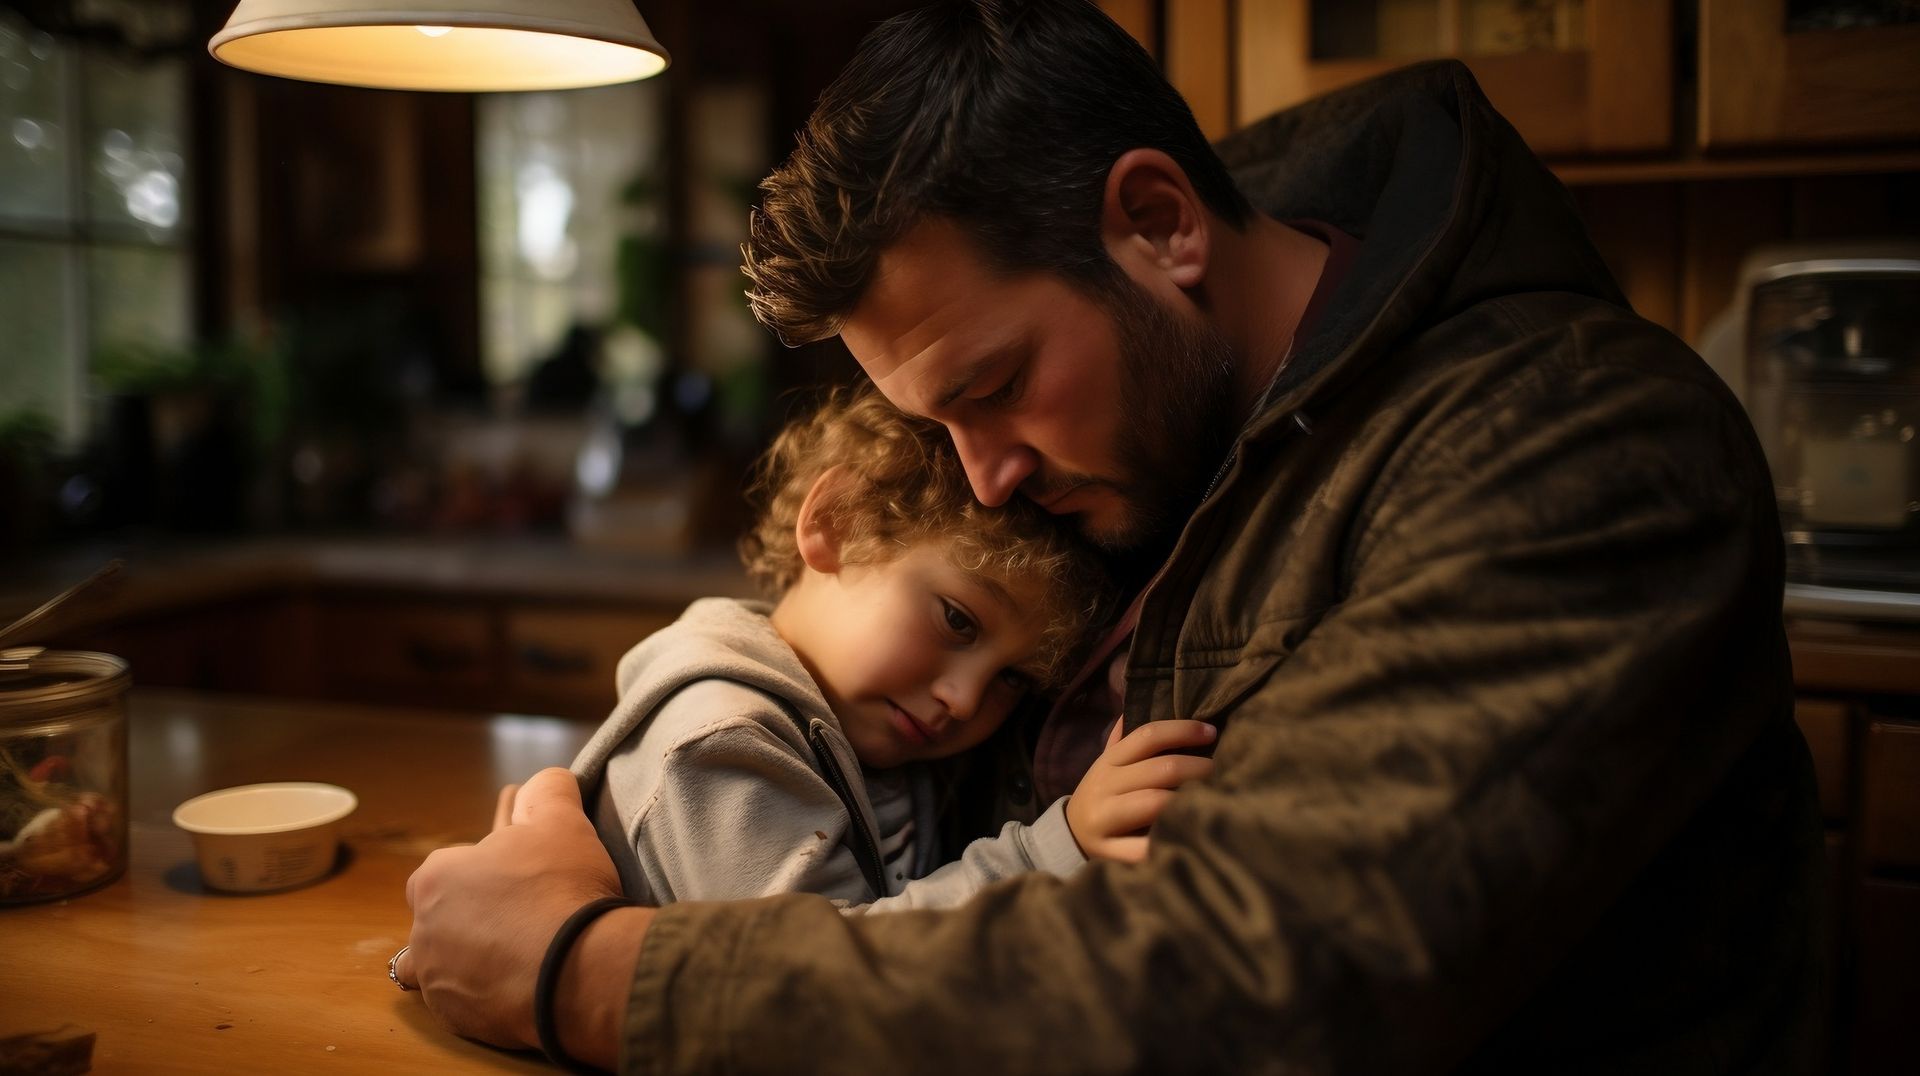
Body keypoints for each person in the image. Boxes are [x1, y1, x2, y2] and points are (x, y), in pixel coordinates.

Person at [397, 2, 1825, 1072]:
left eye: (994, 389)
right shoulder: (1155, 446)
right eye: (932, 424)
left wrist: (581, 971)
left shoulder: (1578, 451)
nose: (988, 481)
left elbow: (1259, 987)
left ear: (1159, 222)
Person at [568, 386, 1214, 909]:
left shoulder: (855, 728)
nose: (964, 701)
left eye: (1013, 679)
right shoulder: (718, 743)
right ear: (837, 522)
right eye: (958, 621)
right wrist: (1053, 850)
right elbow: (810, 989)